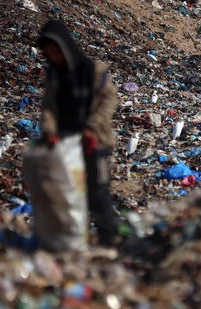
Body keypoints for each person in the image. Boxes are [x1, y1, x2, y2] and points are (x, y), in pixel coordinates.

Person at [37, 19, 136, 249]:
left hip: (95, 143)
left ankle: (108, 240)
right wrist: (49, 131)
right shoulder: (54, 76)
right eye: (49, 53)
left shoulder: (93, 70)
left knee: (98, 193)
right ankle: (71, 240)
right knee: (69, 194)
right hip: (66, 145)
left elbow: (109, 99)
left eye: (57, 51)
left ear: (66, 47)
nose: (54, 57)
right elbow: (49, 107)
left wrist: (91, 126)